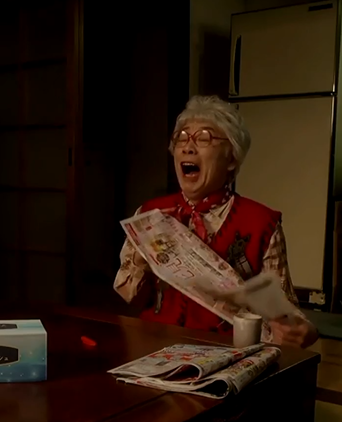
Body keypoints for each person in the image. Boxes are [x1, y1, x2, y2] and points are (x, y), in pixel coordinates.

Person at [113, 95, 318, 349]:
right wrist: (143, 256)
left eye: (204, 138)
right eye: (182, 138)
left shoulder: (262, 223)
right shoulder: (149, 215)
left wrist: (303, 330)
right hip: (155, 348)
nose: (188, 147)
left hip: (228, 352)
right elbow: (131, 298)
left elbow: (286, 311)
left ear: (231, 158)